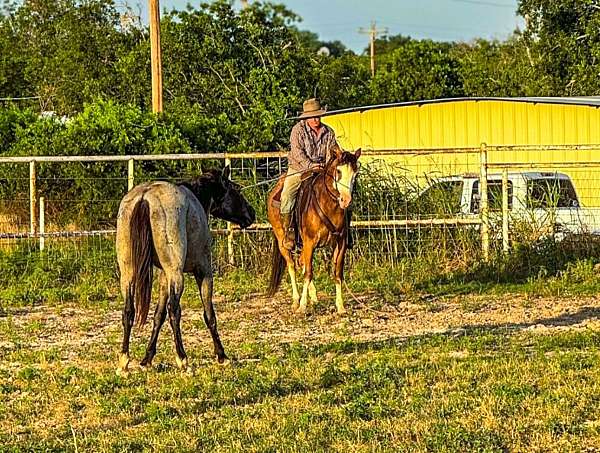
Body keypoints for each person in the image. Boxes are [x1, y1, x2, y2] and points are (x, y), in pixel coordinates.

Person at [280, 98, 340, 250]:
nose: (316, 119)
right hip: (299, 168)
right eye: (312, 116)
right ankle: (289, 230)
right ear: (305, 117)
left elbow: (333, 151)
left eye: (318, 115)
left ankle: (344, 230)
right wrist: (311, 166)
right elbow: (298, 153)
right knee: (287, 194)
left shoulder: (329, 132)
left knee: (343, 192)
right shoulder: (297, 130)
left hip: (323, 170)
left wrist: (329, 164)